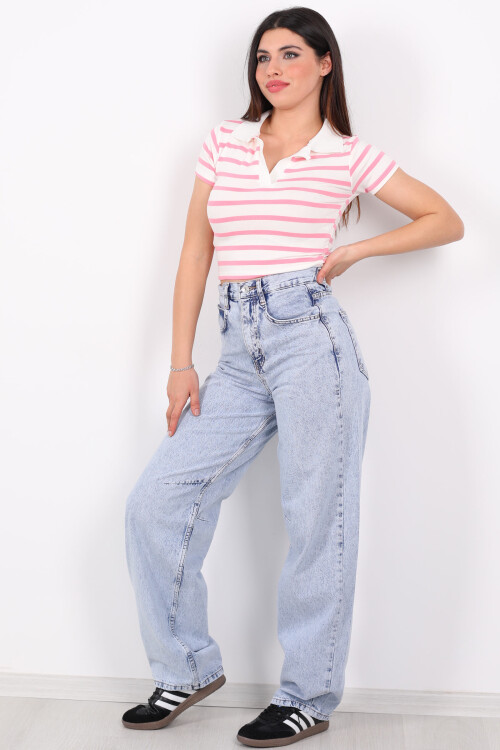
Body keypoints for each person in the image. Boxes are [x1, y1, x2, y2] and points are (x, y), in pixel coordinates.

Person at [121, 7, 464, 748]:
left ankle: (306, 695)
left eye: (289, 55)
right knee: (157, 501)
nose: (272, 70)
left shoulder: (348, 154)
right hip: (235, 351)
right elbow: (195, 252)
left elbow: (445, 219)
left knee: (317, 520)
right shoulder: (226, 142)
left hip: (313, 343)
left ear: (324, 63)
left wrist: (354, 252)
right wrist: (180, 363)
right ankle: (186, 667)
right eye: (262, 57)